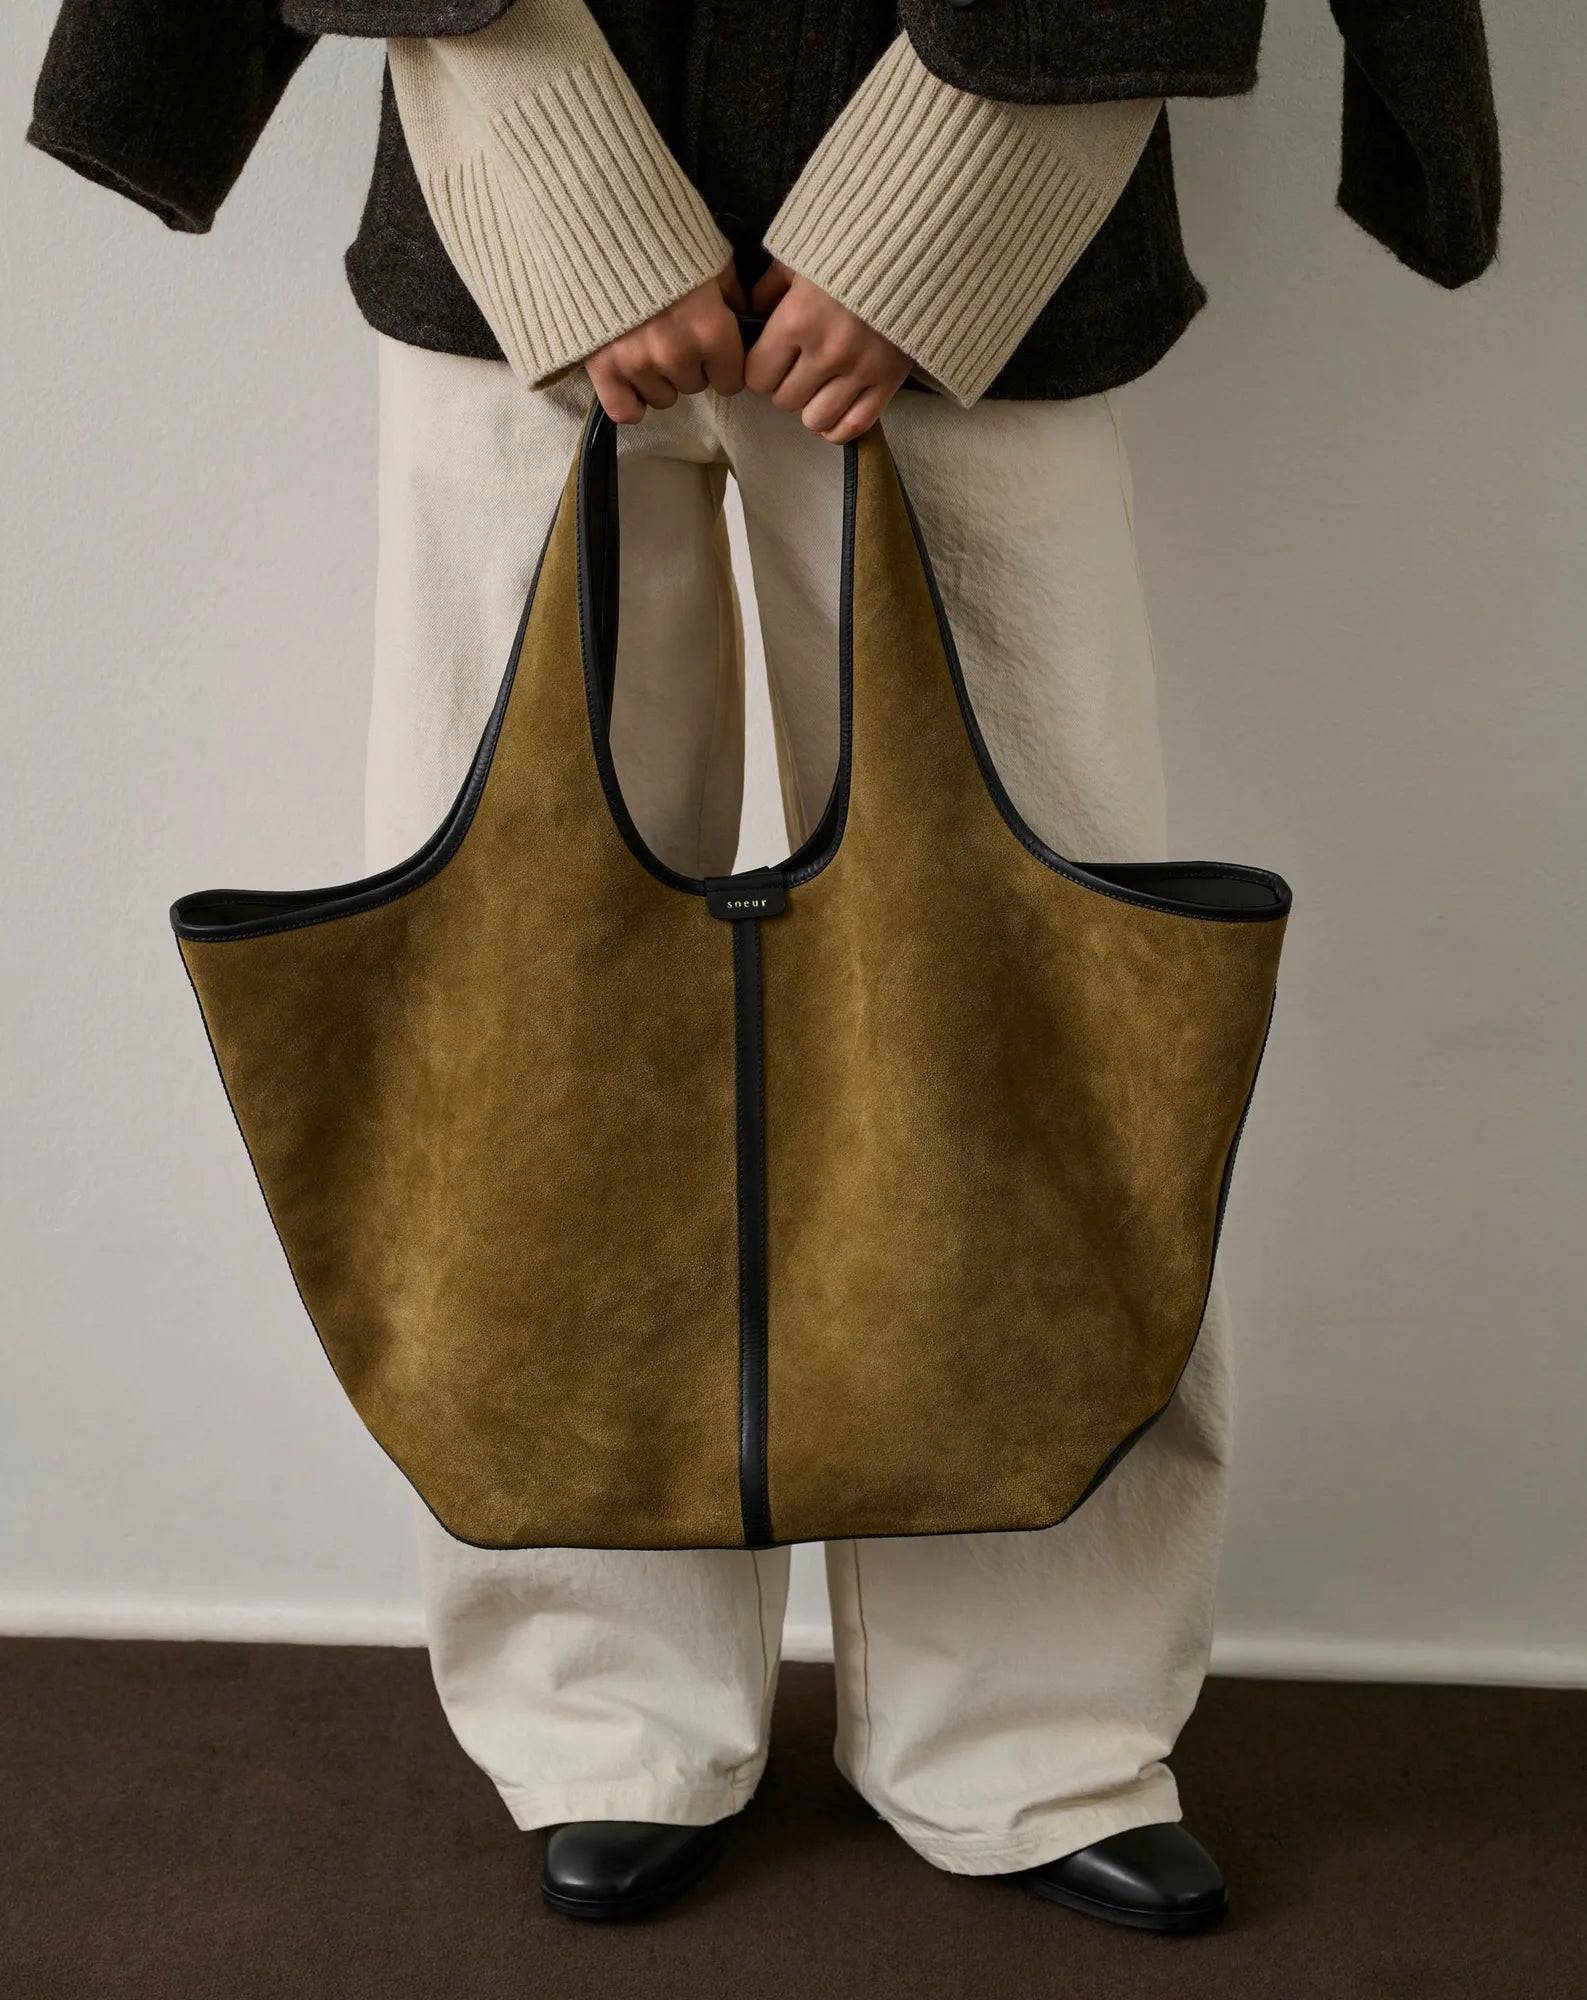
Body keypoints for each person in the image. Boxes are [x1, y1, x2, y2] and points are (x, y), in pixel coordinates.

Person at [29, 0, 1499, 1935]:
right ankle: (604, 1710)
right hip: (509, 163)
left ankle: (1036, 1725)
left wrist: (945, 203)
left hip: (1002, 174)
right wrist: (555, 177)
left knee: (1041, 1013)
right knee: (518, 1028)